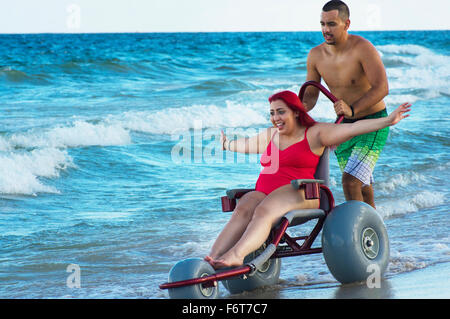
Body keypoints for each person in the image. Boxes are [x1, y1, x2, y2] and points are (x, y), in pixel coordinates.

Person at [205, 90, 410, 269]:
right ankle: (211, 259)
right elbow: (245, 145)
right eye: (272, 113)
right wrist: (226, 144)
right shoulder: (272, 134)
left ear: (296, 111)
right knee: (244, 207)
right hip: (266, 194)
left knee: (263, 210)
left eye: (281, 111)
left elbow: (351, 129)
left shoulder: (315, 133)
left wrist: (387, 121)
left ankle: (236, 255)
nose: (276, 117)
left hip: (301, 193)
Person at [302, 0, 389, 208]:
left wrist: (353, 108)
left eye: (331, 24)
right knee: (363, 186)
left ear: (346, 24)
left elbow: (381, 87)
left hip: (372, 123)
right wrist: (292, 114)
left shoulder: (363, 48)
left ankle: (356, 234)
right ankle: (374, 232)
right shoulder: (315, 55)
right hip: (343, 126)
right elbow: (310, 96)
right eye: (322, 24)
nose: (325, 29)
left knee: (350, 182)